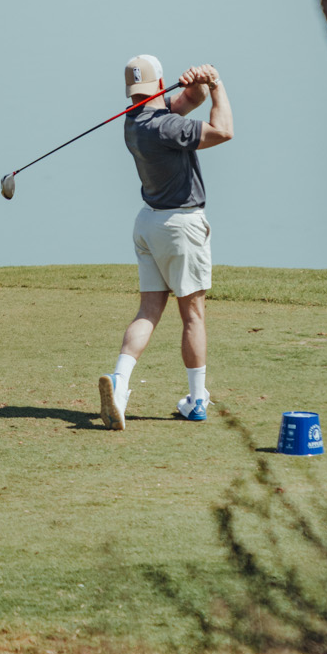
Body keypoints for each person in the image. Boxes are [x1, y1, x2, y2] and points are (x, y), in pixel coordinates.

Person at [98, 55, 233, 431]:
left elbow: (188, 101)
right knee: (193, 314)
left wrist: (197, 83)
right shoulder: (167, 126)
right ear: (159, 84)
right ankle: (197, 400)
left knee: (148, 310)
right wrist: (217, 85)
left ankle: (120, 383)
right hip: (181, 227)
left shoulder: (134, 120)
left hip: (148, 224)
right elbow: (223, 131)